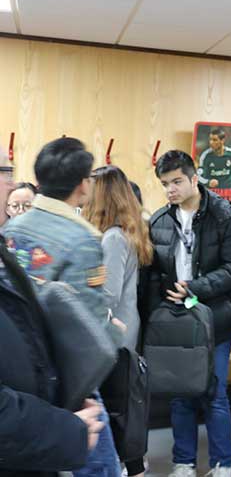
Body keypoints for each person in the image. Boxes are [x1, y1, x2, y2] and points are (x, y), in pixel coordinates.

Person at [3, 137, 123, 477]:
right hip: (64, 374)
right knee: (99, 465)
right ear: (83, 186)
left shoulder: (12, 227)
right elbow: (90, 324)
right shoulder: (83, 238)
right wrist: (114, 331)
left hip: (19, 368)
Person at [149, 150, 231, 477]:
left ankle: (222, 464)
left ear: (194, 179)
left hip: (216, 317)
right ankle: (183, 462)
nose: (170, 190)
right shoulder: (161, 220)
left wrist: (196, 288)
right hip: (175, 318)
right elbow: (153, 273)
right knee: (180, 393)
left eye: (176, 181)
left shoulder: (226, 217)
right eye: (165, 184)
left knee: (214, 393)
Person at [83, 165, 155, 477]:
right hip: (123, 332)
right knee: (122, 411)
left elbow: (107, 296)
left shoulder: (113, 238)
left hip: (114, 336)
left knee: (116, 413)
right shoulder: (124, 233)